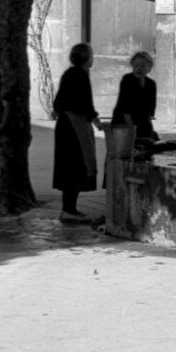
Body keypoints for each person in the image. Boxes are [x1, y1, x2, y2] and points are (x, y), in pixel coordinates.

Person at [52, 43, 104, 224]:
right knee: (75, 167)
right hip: (73, 127)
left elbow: (59, 102)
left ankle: (69, 208)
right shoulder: (79, 75)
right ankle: (68, 210)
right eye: (91, 55)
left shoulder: (71, 74)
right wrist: (96, 121)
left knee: (71, 168)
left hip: (67, 124)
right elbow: (84, 103)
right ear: (87, 58)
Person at [110, 51, 159, 143]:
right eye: (136, 66)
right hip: (124, 121)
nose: (139, 68)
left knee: (150, 144)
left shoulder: (151, 84)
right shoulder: (127, 80)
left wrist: (148, 130)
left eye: (142, 66)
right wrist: (131, 131)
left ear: (149, 68)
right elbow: (124, 108)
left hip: (141, 121)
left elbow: (150, 110)